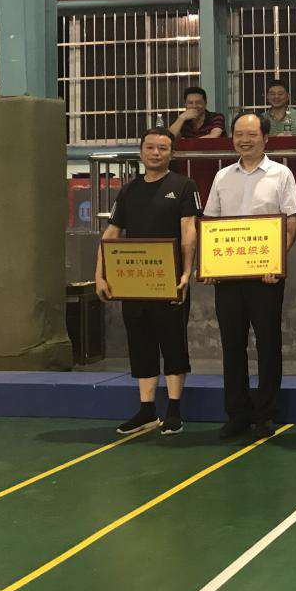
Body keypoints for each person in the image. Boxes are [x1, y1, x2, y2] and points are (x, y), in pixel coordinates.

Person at [95, 128, 201, 435]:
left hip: (170, 283)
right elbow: (111, 234)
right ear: (141, 152)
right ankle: (146, 410)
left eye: (163, 148)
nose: (156, 153)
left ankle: (174, 410)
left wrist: (186, 273)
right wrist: (99, 275)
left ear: (172, 153)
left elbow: (189, 232)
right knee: (140, 344)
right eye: (151, 147)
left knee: (173, 344)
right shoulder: (129, 190)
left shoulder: (184, 186)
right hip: (133, 282)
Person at [203, 112, 296, 439]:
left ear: (265, 138)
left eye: (252, 134)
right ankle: (237, 414)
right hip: (228, 277)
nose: (244, 140)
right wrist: (209, 265)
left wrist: (277, 263)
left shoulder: (281, 174)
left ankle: (266, 414)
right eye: (239, 134)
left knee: (268, 345)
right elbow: (211, 223)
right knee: (232, 345)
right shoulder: (222, 176)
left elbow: (290, 224)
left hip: (265, 277)